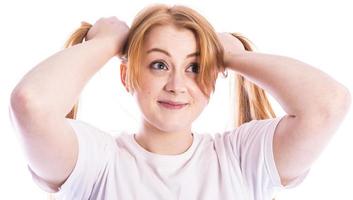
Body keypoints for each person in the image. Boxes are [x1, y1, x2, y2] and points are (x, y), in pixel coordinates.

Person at [9, 3, 351, 200]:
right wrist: (109, 43)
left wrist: (231, 56)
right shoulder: (95, 163)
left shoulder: (241, 158)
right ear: (127, 76)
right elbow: (31, 104)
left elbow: (328, 104)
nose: (177, 85)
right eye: (159, 64)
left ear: (213, 76)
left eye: (194, 67)